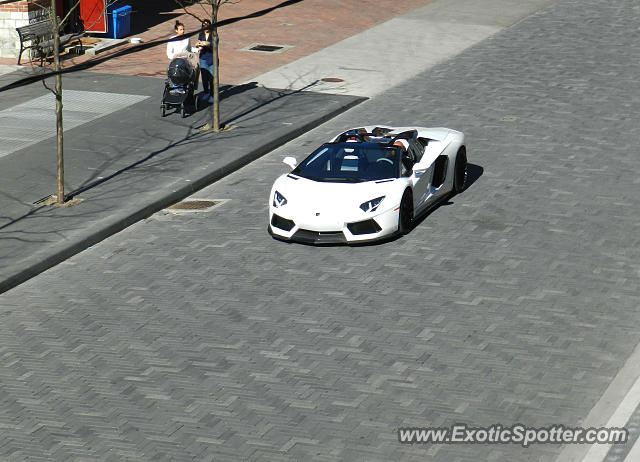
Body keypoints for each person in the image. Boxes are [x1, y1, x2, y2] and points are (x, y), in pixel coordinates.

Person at [195, 19, 214, 103]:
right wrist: (198, 45)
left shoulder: (214, 34)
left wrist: (208, 44)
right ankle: (206, 92)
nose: (205, 27)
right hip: (203, 58)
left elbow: (214, 45)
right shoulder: (201, 34)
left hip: (211, 58)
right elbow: (199, 44)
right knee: (204, 77)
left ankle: (212, 95)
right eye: (203, 25)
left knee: (212, 78)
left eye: (207, 25)